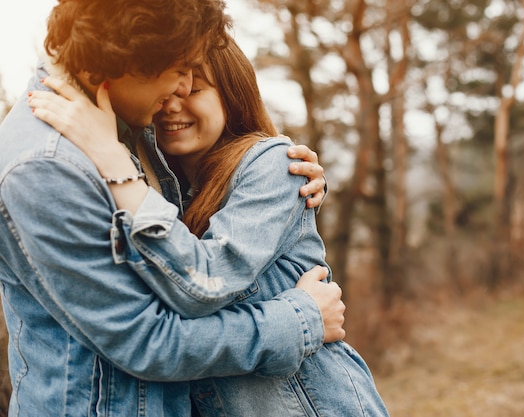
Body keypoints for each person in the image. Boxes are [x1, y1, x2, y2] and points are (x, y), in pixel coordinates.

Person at [0, 1, 345, 415]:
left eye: (193, 80)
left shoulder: (130, 127)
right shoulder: (46, 168)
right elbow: (148, 341)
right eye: (181, 68)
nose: (181, 89)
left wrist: (282, 182)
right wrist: (299, 320)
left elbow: (192, 258)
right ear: (132, 60)